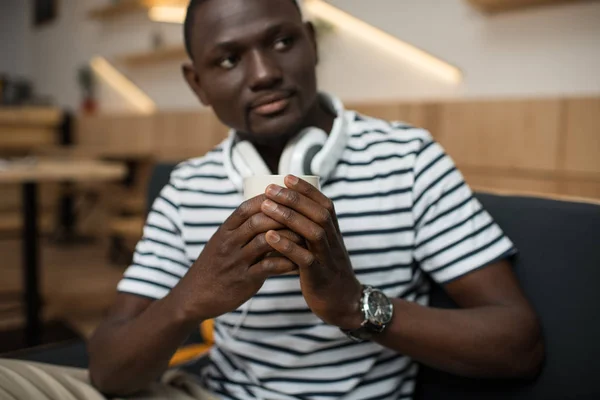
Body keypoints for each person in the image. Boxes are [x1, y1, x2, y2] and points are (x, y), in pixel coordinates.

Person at [0, 0, 543, 399]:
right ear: (197, 83)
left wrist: (353, 304)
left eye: (282, 42)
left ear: (312, 41)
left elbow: (517, 345)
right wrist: (193, 296)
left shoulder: (408, 157)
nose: (264, 74)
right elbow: (110, 373)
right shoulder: (187, 188)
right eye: (229, 60)